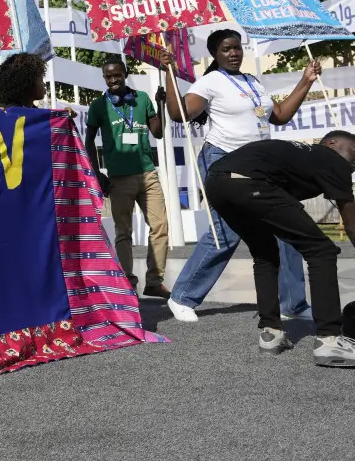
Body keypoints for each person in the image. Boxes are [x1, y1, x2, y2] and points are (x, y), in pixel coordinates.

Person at [163, 28, 321, 323]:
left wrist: (305, 81)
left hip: (260, 164)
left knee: (287, 225)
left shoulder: (253, 82)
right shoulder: (210, 82)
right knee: (226, 230)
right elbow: (180, 113)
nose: (234, 53)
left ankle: (293, 304)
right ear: (215, 54)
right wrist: (168, 73)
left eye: (237, 47)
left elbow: (281, 115)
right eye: (226, 49)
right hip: (223, 159)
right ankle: (182, 297)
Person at [204, 132, 355, 365]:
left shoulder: (300, 157)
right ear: (331, 143)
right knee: (321, 250)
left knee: (264, 252)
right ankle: (330, 340)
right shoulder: (331, 159)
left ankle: (270, 333)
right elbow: (351, 222)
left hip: (216, 181)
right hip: (250, 180)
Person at [85, 57, 170, 298]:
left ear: (125, 73)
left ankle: (154, 281)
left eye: (117, 75)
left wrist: (160, 105)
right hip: (118, 179)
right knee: (124, 232)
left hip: (147, 174)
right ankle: (128, 282)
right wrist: (96, 173)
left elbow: (159, 133)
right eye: (108, 76)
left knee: (160, 226)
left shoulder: (142, 99)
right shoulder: (99, 105)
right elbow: (88, 141)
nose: (113, 80)